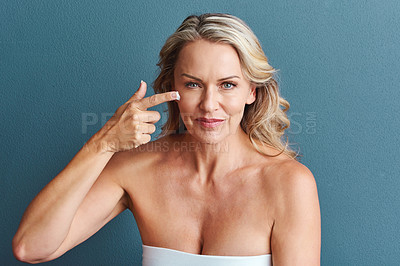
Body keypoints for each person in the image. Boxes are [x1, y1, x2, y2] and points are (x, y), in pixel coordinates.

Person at [12, 13, 320, 265]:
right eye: (193, 84)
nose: (209, 104)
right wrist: (103, 144)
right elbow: (31, 248)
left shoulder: (288, 184)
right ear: (172, 87)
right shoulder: (138, 168)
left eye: (227, 85)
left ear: (251, 91)